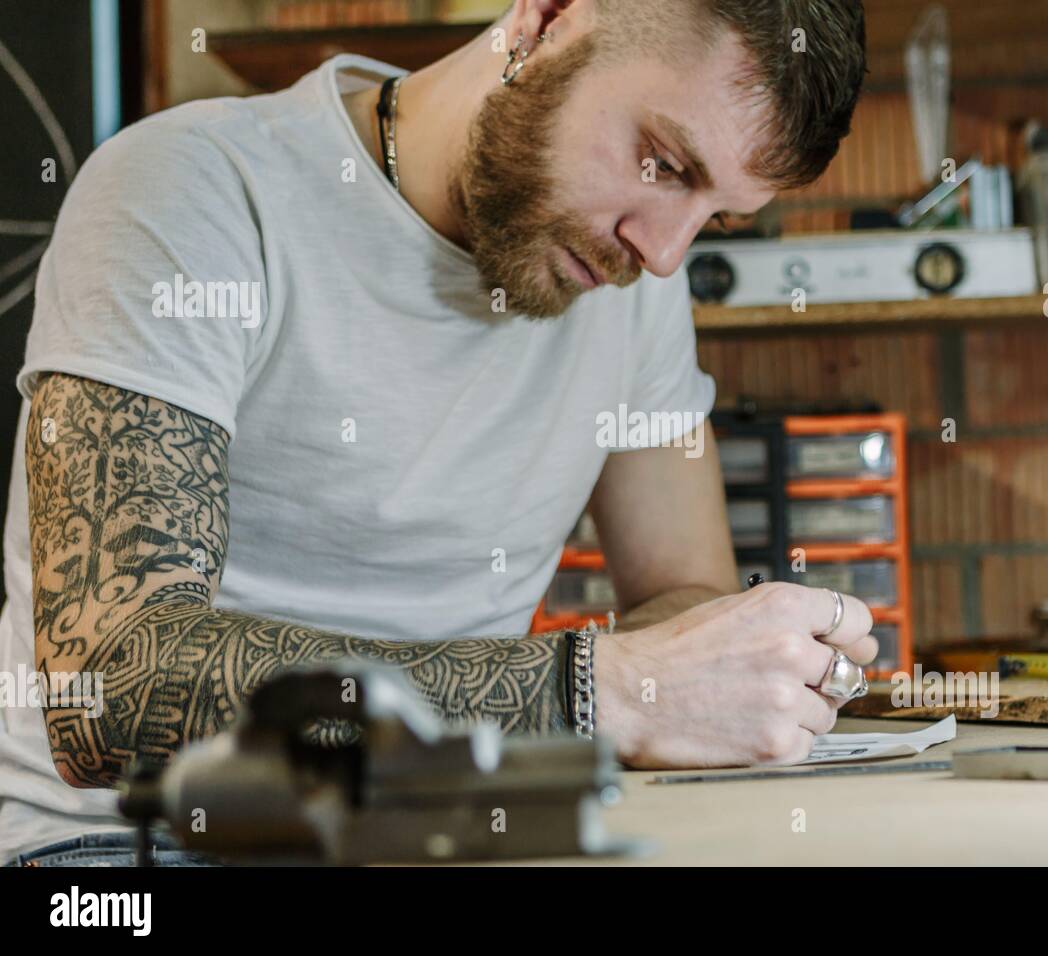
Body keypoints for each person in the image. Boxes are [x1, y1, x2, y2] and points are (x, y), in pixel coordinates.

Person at [0, 0, 873, 866]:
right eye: (664, 163)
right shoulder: (189, 189)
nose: (664, 252)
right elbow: (113, 687)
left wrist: (741, 669)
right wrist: (605, 693)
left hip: (448, 834)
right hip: (132, 846)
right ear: (548, 19)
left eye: (714, 217)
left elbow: (683, 589)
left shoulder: (635, 282)